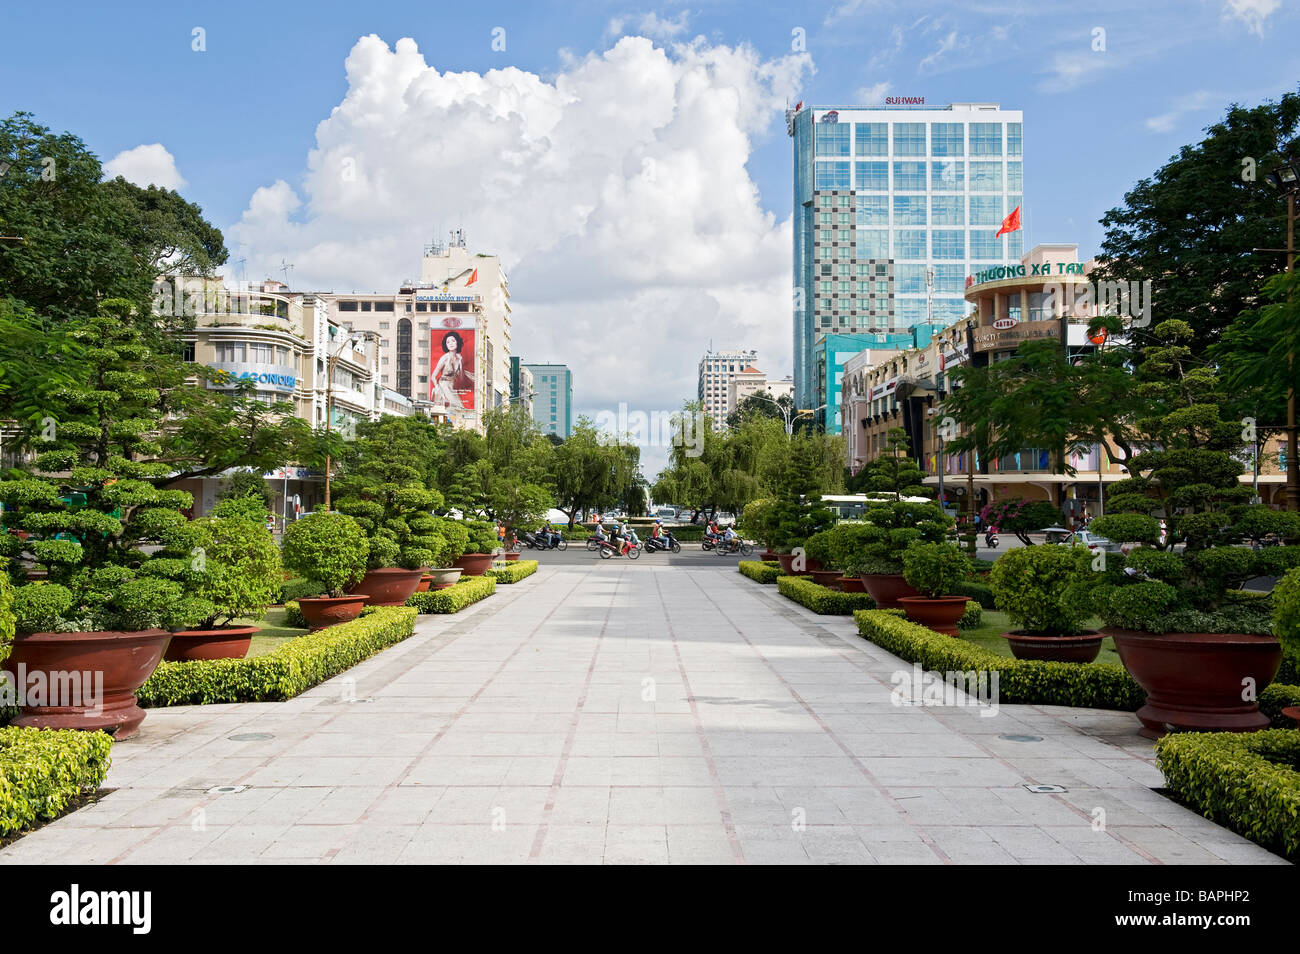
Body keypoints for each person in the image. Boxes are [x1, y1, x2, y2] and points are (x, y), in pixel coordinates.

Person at [432, 331, 469, 409]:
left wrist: (460, 363)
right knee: (454, 407)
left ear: (457, 342)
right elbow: (433, 376)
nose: (451, 343)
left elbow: (461, 378)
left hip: (452, 387)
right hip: (443, 385)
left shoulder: (459, 358)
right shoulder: (445, 358)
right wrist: (437, 388)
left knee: (460, 408)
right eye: (448, 342)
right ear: (446, 345)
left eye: (453, 341)